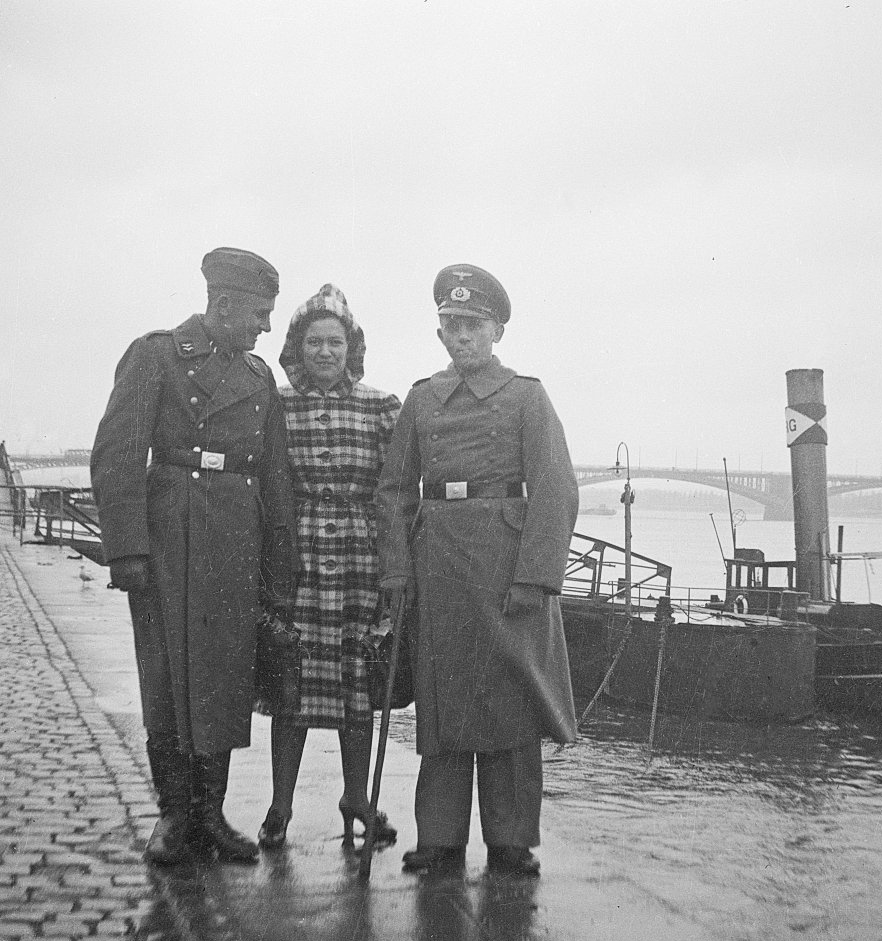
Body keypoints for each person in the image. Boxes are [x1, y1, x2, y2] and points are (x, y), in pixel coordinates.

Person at [91, 247, 294, 866]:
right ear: (223, 304)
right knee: (167, 678)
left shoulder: (259, 378)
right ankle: (175, 817)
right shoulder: (157, 355)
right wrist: (127, 549)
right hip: (170, 533)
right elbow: (119, 454)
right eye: (259, 314)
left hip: (236, 539)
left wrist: (280, 567)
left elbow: (276, 478)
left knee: (225, 678)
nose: (265, 328)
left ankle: (210, 815)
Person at [376, 264, 578, 876]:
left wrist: (536, 576)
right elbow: (394, 490)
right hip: (437, 563)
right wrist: (396, 570)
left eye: (474, 324)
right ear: (439, 332)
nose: (462, 335)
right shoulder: (421, 399)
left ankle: (511, 840)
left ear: (497, 331)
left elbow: (555, 488)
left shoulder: (526, 396)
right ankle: (439, 838)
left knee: (511, 701)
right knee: (441, 704)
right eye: (452, 324)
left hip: (505, 566)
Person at [257, 284, 401, 850]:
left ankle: (356, 800)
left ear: (351, 348)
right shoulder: (276, 405)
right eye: (313, 341)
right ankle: (280, 806)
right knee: (291, 681)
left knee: (356, 684)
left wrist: (396, 567)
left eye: (335, 342)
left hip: (360, 560)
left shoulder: (381, 406)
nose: (324, 352)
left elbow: (397, 491)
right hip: (296, 558)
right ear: (296, 348)